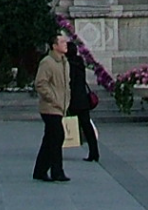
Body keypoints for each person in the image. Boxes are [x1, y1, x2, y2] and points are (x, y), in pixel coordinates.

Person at [32, 31, 70, 183]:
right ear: (54, 46)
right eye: (62, 42)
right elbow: (40, 83)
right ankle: (56, 171)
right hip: (50, 107)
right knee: (57, 136)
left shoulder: (64, 62)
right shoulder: (47, 62)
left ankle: (40, 170)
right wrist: (53, 99)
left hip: (61, 106)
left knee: (49, 139)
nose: (65, 44)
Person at [66, 40, 99, 163]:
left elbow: (71, 83)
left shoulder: (69, 64)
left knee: (61, 125)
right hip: (83, 99)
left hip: (74, 99)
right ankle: (94, 151)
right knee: (87, 126)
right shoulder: (79, 62)